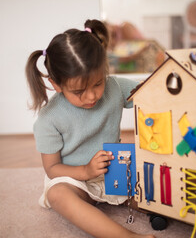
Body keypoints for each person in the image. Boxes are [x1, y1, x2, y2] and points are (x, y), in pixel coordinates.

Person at [25, 19, 155, 238]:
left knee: (155, 174)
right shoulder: (49, 120)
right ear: (56, 85)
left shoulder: (114, 87)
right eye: (79, 92)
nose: (92, 96)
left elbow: (151, 93)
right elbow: (53, 168)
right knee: (58, 195)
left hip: (115, 170)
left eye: (97, 83)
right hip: (74, 179)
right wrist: (85, 171)